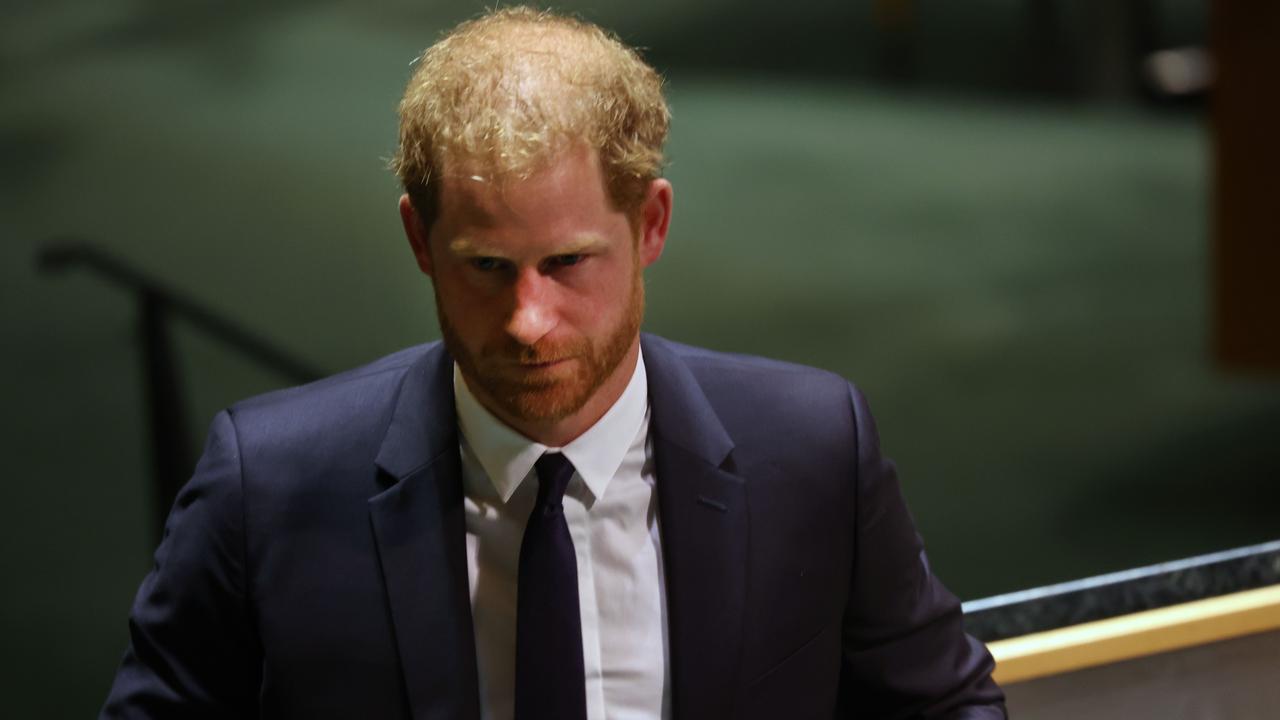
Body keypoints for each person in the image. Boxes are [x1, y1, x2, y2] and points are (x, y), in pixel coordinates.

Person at [102, 6, 1004, 719]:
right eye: (487, 268)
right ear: (420, 240)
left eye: (568, 263)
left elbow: (944, 704)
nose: (529, 321)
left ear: (649, 225)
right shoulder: (266, 486)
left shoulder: (813, 449)